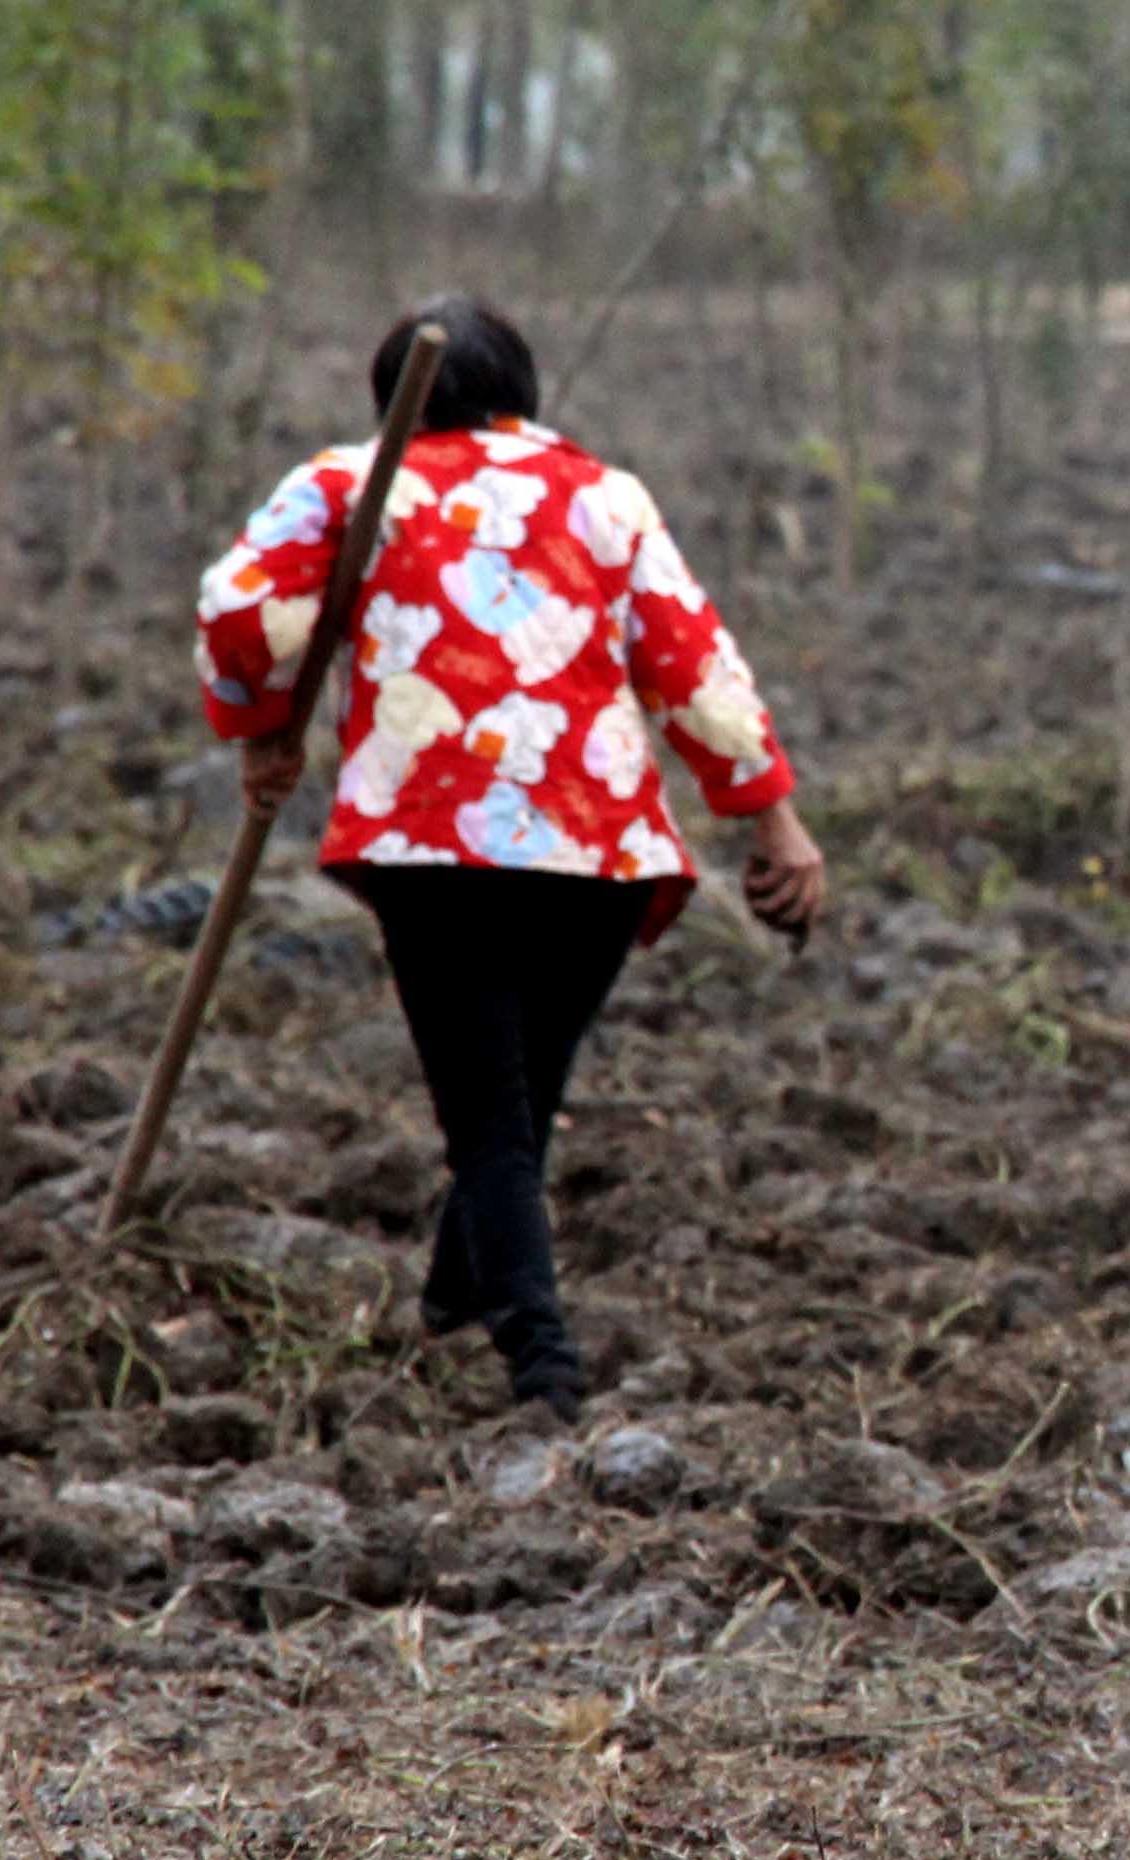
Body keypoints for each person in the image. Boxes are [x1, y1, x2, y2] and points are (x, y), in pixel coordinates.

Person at [194, 296, 826, 1421]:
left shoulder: (348, 486)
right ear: (523, 392)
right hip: (599, 850)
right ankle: (448, 1309)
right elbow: (692, 664)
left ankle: (544, 1367)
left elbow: (241, 615)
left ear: (389, 401)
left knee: (493, 1122)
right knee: (516, 1104)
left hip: (431, 846)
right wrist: (771, 818)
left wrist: (264, 732)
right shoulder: (603, 496)